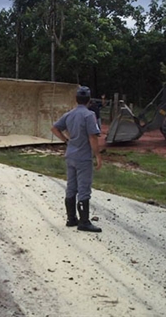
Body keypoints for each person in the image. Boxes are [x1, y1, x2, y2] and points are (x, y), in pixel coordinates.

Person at [51, 86, 103, 233]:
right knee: (84, 188)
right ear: (89, 100)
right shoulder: (89, 115)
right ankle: (84, 222)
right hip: (83, 157)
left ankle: (71, 218)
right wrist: (98, 155)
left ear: (76, 99)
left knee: (71, 186)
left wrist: (66, 140)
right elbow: (92, 136)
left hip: (71, 154)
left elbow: (54, 128)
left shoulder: (69, 114)